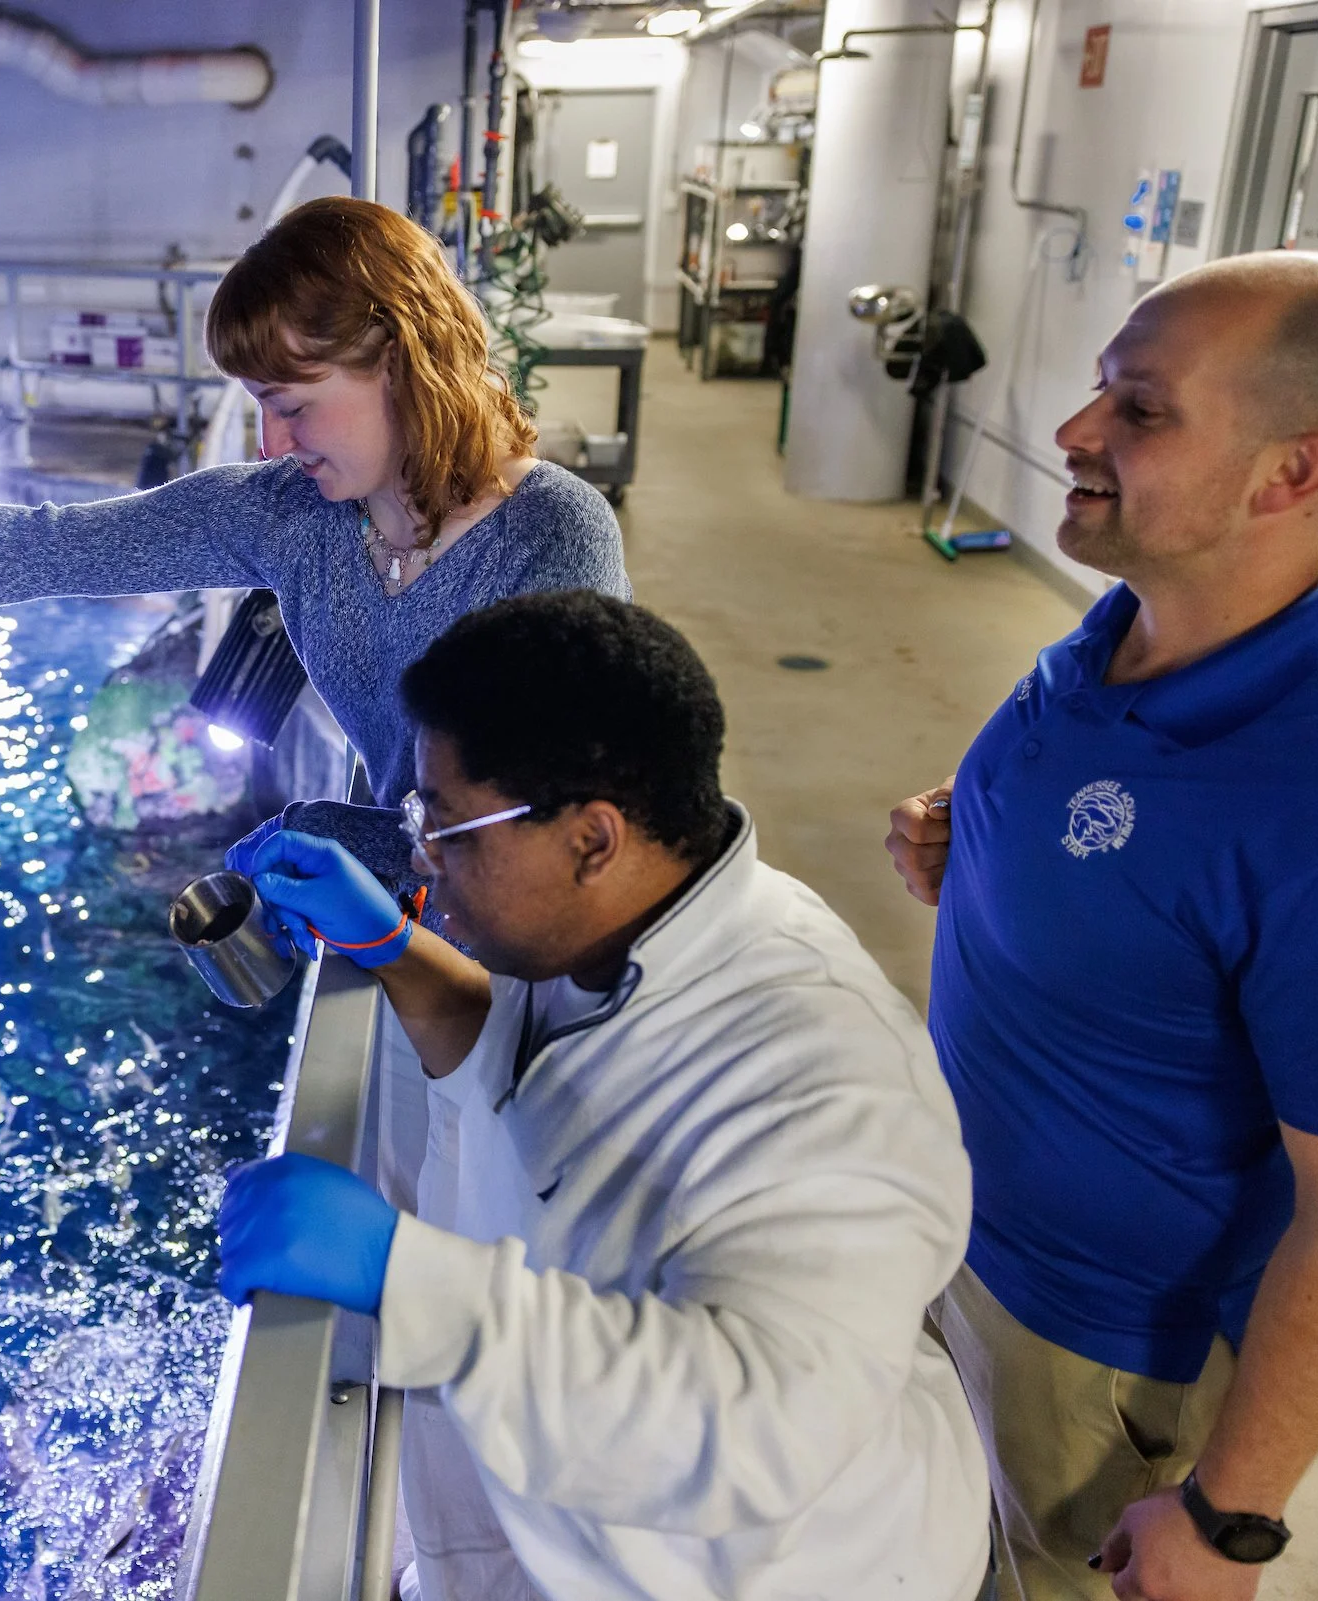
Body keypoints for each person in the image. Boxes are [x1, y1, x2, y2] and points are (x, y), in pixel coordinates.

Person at [220, 591, 990, 1601]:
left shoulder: (825, 1080)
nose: (423, 857)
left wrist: (407, 1278)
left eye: (449, 828)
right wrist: (394, 949)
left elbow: (755, 1429)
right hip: (591, 1535)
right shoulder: (610, 927)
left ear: (592, 839)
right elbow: (534, 1065)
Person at [883, 251, 1318, 1601]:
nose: (1074, 428)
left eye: (1140, 410)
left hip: (1091, 1350)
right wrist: (974, 837)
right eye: (1102, 389)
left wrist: (1227, 1518)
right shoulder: (1144, 612)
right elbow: (1138, 848)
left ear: (1293, 471)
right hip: (961, 1229)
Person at [0, 196, 628, 806]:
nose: (271, 443)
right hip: (413, 934)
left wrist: (363, 854)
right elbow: (50, 547)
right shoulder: (291, 515)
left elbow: (555, 825)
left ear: (401, 359)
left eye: (291, 405)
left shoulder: (551, 537)